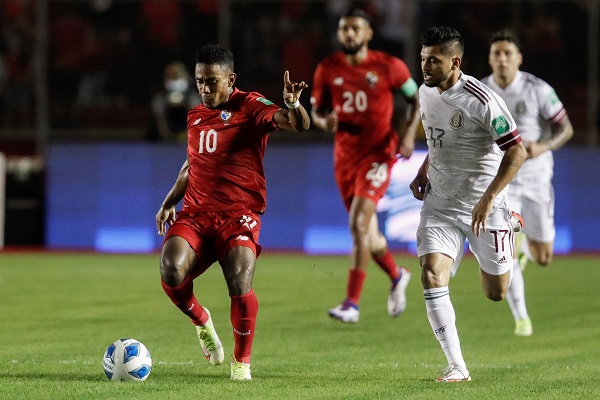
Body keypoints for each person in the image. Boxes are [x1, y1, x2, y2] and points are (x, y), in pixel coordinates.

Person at [155, 44, 310, 381]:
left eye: (212, 82)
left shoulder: (250, 106)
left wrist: (294, 104)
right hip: (196, 213)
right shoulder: (195, 115)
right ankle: (201, 320)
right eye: (200, 82)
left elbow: (296, 124)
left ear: (230, 79)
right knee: (170, 269)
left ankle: (241, 364)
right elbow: (191, 166)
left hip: (238, 214)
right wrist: (169, 201)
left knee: (240, 275)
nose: (205, 89)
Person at [409, 26, 527, 382]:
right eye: (423, 59)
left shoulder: (482, 100)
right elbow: (438, 141)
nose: (425, 67)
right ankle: (457, 366)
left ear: (455, 61)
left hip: (484, 208)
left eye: (434, 60)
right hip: (440, 203)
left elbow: (516, 151)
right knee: (431, 273)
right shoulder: (424, 93)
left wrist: (490, 198)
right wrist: (423, 169)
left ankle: (510, 222)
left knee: (496, 292)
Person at [310, 7, 420, 323]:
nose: (349, 34)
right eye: (344, 29)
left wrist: (408, 134)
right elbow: (317, 111)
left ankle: (351, 303)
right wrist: (323, 121)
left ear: (368, 33)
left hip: (378, 155)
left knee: (359, 225)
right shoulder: (327, 69)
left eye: (355, 29)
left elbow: (416, 97)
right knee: (369, 238)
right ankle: (397, 275)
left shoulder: (390, 66)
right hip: (344, 160)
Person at [482, 30, 574, 337]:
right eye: (497, 53)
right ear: (490, 58)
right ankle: (522, 319)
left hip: (535, 180)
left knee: (544, 256)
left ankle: (523, 251)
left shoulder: (537, 89)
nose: (502, 59)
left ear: (519, 58)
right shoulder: (480, 92)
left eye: (508, 53)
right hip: (502, 182)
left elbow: (566, 129)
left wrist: (543, 146)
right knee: (505, 246)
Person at [150, 61, 201, 141]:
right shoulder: (159, 100)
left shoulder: (194, 98)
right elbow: (161, 125)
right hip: (164, 144)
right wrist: (171, 137)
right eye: (171, 77)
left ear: (186, 77)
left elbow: (197, 124)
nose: (174, 81)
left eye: (177, 77)